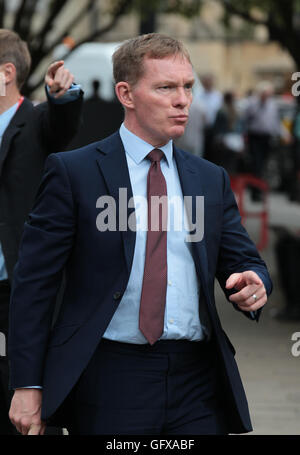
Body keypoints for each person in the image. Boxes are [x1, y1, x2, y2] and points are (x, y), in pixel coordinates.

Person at [8, 33, 272, 436]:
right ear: (126, 94)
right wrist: (27, 383)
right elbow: (34, 283)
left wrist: (254, 281)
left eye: (187, 86)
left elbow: (242, 261)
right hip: (110, 377)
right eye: (166, 87)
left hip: (198, 381)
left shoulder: (209, 178)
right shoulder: (74, 173)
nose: (182, 99)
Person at [0, 29, 83, 435]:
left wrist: (60, 96)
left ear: (6, 73)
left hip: (16, 292)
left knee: (23, 406)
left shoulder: (35, 121)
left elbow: (62, 124)